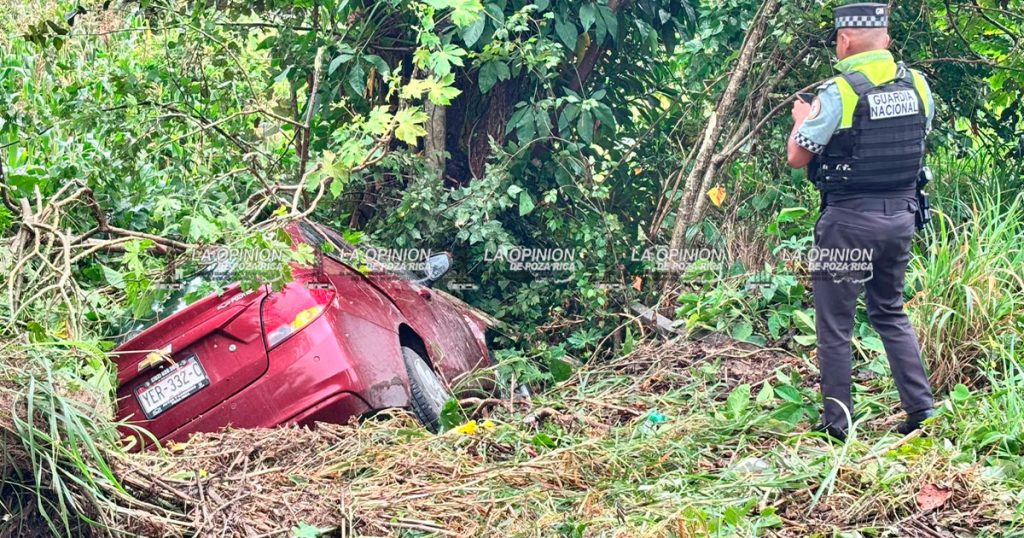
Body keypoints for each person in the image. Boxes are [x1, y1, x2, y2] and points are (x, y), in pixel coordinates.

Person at [786, 3, 936, 441]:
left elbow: (799, 157)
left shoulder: (839, 92)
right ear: (886, 40)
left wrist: (801, 121)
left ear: (844, 40)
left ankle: (838, 426)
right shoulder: (918, 86)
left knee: (835, 325)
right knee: (889, 311)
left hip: (849, 222)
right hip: (902, 217)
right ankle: (922, 410)